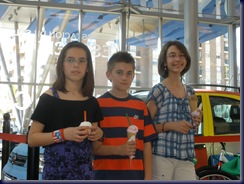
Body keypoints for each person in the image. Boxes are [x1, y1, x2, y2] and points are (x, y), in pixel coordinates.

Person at [27, 41, 104, 180]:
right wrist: (63, 134)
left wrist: (98, 135)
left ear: (87, 67)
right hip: (55, 175)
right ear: (62, 65)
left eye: (81, 61)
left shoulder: (92, 102)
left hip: (84, 176)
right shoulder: (49, 98)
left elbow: (95, 148)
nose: (76, 65)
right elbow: (32, 139)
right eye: (70, 60)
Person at [92, 51, 158, 180]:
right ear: (108, 75)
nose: (124, 78)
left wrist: (148, 178)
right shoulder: (98, 105)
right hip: (104, 176)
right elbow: (94, 148)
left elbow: (147, 145)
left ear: (133, 76)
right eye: (119, 72)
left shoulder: (141, 106)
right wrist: (119, 150)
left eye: (129, 73)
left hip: (135, 176)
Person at [147, 40, 202, 180]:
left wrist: (196, 120)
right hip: (161, 156)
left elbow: (193, 124)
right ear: (165, 62)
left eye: (181, 55)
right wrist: (171, 125)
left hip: (186, 156)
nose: (177, 59)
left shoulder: (190, 91)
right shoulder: (158, 90)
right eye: (172, 55)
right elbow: (145, 127)